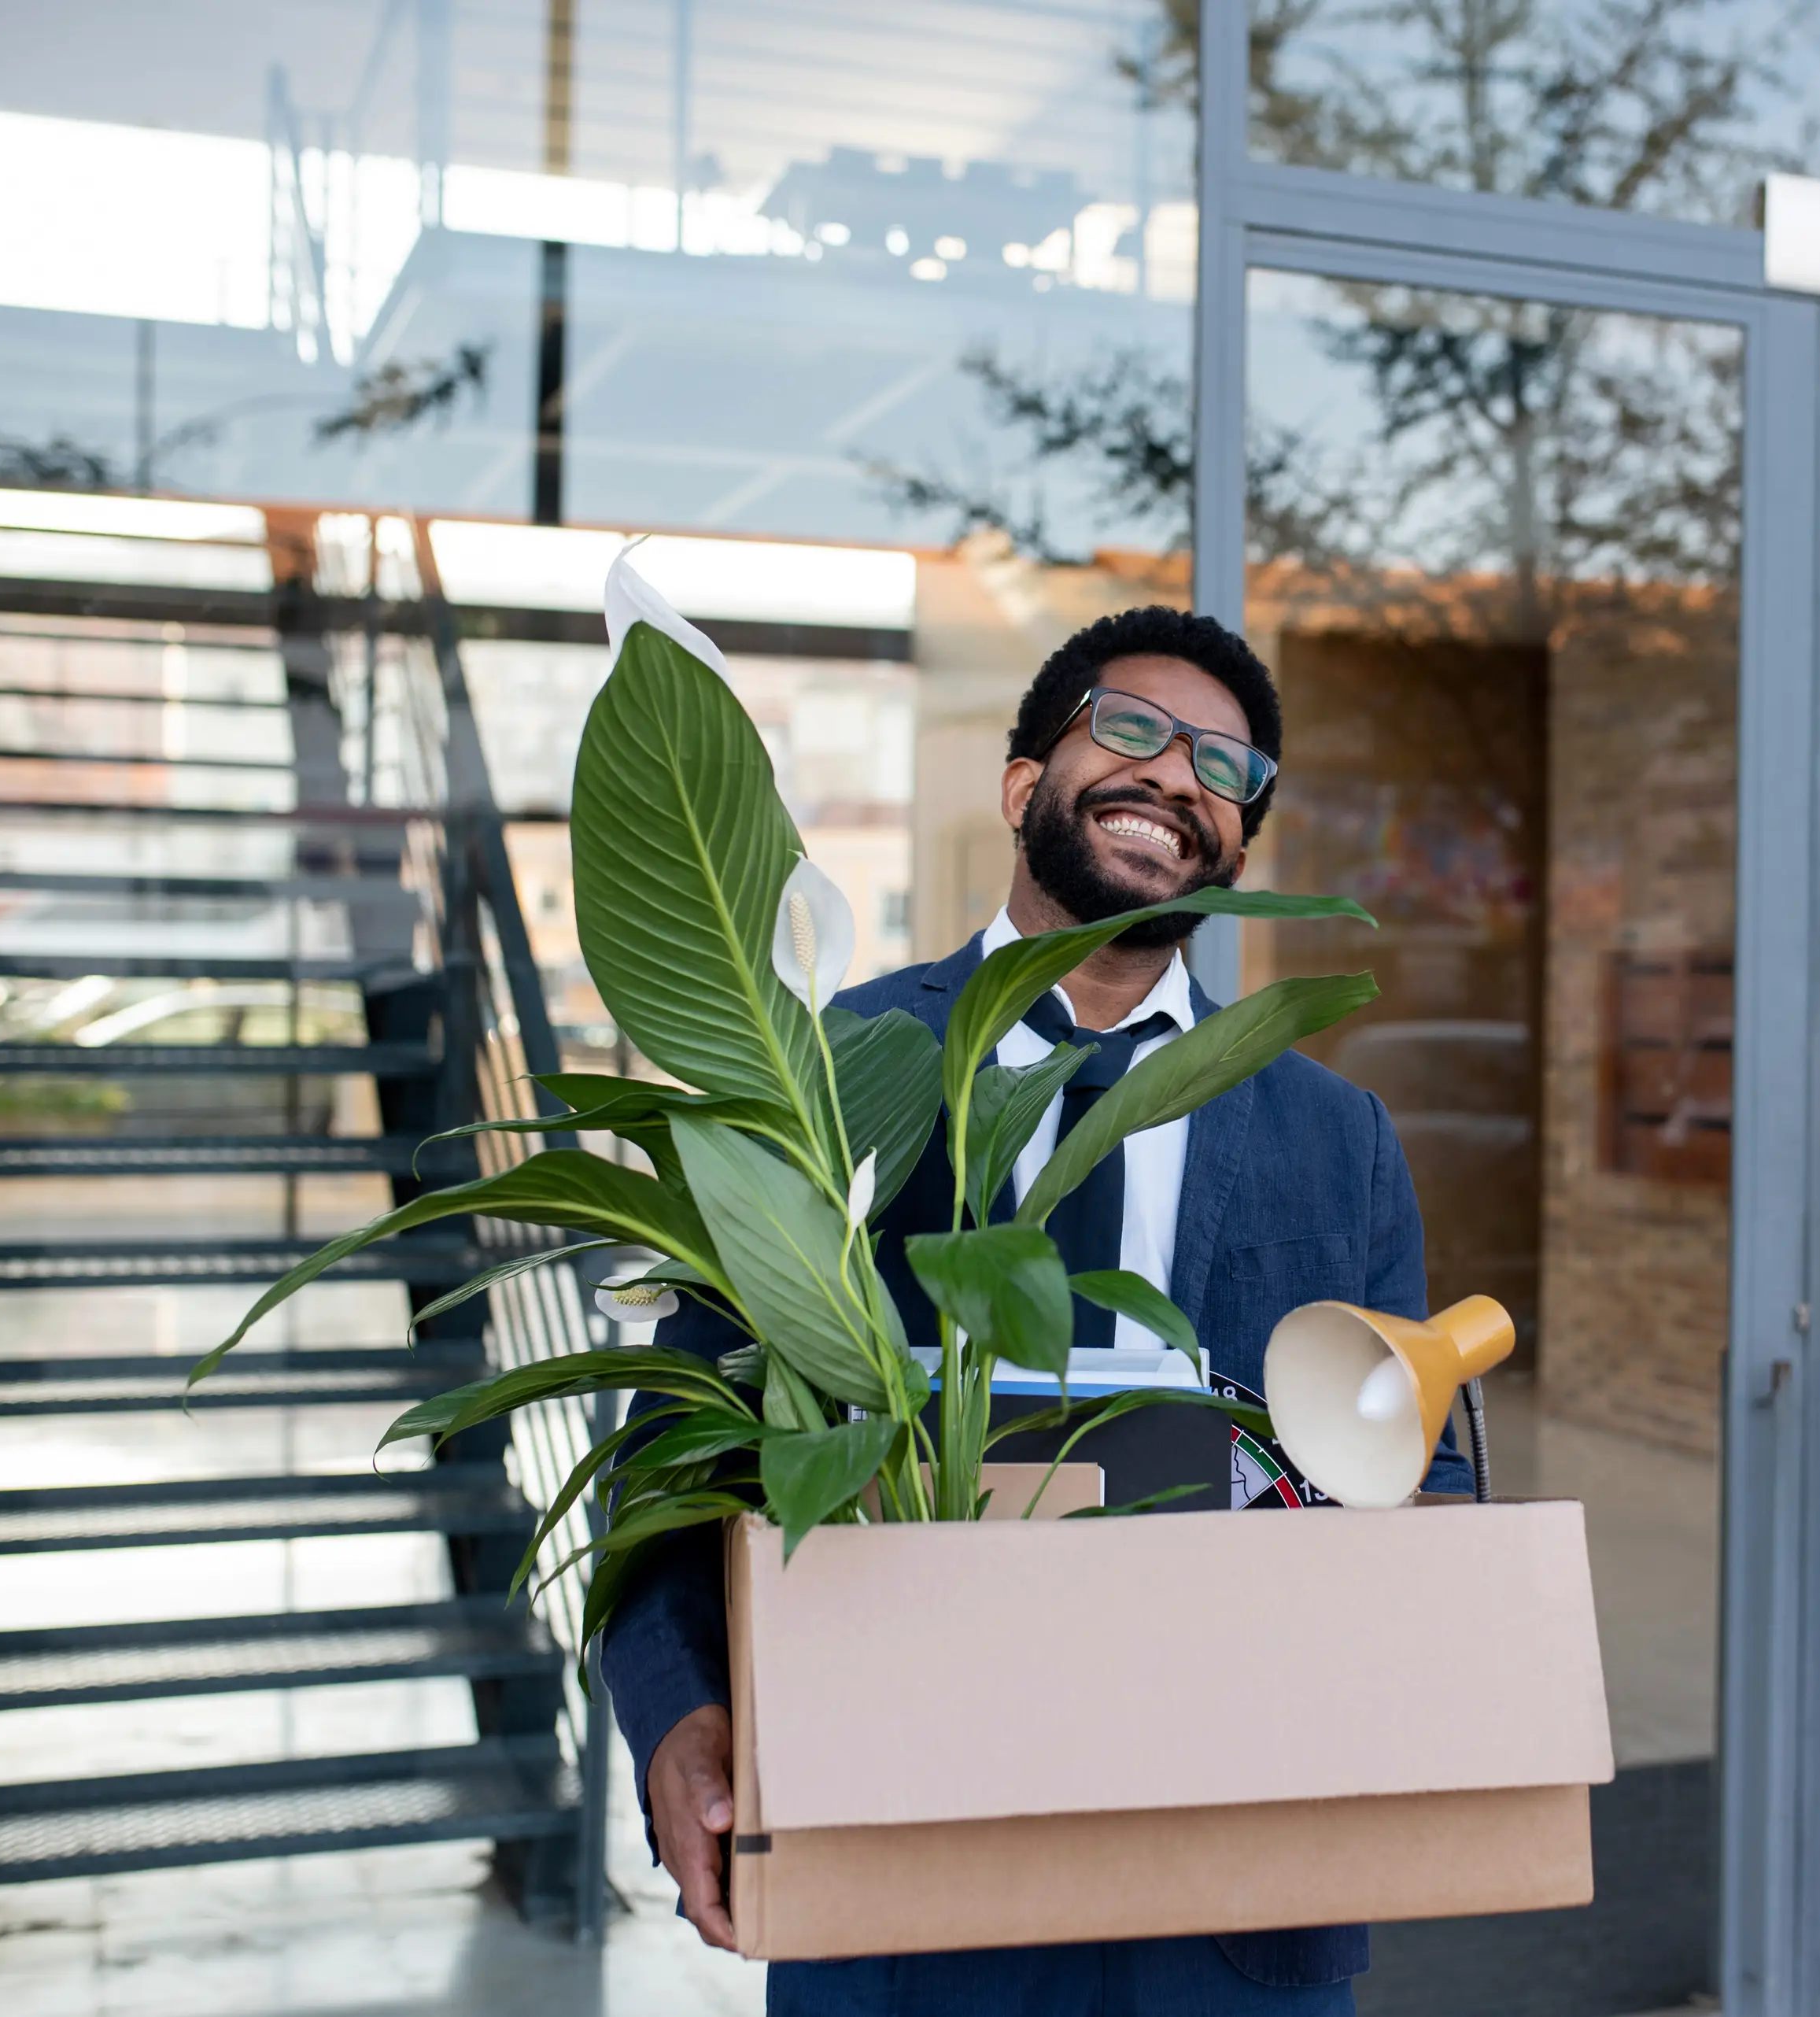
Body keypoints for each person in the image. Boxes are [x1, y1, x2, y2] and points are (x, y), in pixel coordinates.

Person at [597, 606, 1469, 2017]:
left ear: (1240, 845)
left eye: (1225, 771)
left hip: (1235, 1904)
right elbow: (676, 1452)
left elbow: (1421, 1473)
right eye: (1131, 731)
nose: (1180, 779)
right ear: (1022, 785)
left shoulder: (1337, 1138)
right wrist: (679, 1717)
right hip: (895, 1875)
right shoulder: (824, 1073)